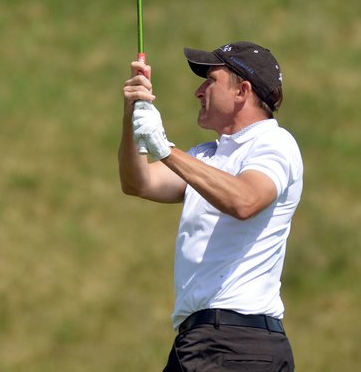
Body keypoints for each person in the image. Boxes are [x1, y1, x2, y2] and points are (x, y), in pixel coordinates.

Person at [120, 41, 303, 372]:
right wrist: (133, 110)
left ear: (241, 92)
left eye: (210, 80)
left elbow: (245, 200)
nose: (199, 91)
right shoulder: (206, 156)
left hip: (236, 344)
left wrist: (165, 149)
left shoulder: (273, 143)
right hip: (205, 344)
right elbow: (139, 183)